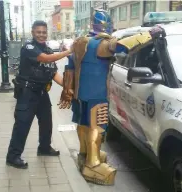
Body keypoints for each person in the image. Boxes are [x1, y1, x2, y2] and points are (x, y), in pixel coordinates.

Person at [58, 9, 128, 185]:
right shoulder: (102, 44)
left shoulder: (80, 42)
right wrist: (150, 34)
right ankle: (93, 163)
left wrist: (68, 90)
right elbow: (122, 46)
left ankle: (84, 154)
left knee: (83, 125)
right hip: (97, 94)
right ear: (108, 25)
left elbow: (69, 68)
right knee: (97, 127)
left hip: (80, 94)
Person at [6, 20, 73, 169]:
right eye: (38, 32)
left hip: (42, 92)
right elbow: (45, 59)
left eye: (44, 32)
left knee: (46, 122)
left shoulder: (48, 50)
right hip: (27, 93)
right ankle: (13, 156)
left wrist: (68, 87)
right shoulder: (29, 48)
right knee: (22, 125)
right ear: (33, 32)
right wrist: (69, 51)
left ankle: (44, 148)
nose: (42, 35)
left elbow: (54, 73)